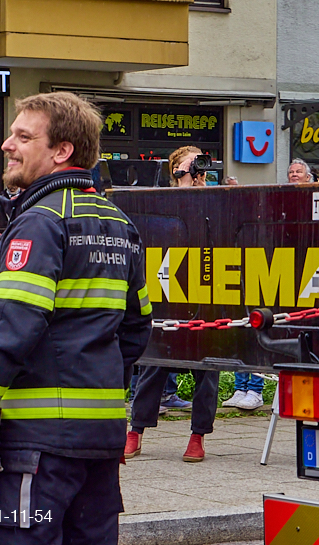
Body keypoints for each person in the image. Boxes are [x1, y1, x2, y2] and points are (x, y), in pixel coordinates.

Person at [0, 92, 151, 544]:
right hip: (100, 445)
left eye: (23, 136)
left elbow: (10, 333)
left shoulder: (41, 222)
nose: (8, 145)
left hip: (38, 449)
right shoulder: (120, 225)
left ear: (61, 151)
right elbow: (135, 332)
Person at [125, 145, 220, 464]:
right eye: (189, 164)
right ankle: (135, 431)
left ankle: (197, 436)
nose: (196, 169)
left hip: (205, 291)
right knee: (154, 362)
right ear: (175, 169)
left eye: (199, 163)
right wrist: (184, 185)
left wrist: (207, 194)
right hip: (167, 291)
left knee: (207, 366)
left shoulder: (215, 199)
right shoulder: (161, 200)